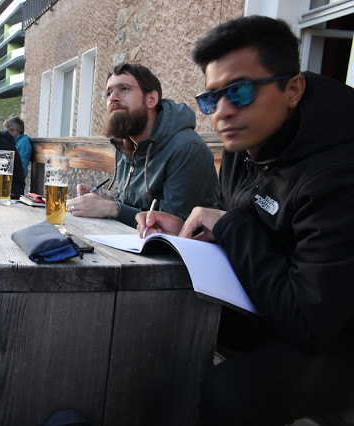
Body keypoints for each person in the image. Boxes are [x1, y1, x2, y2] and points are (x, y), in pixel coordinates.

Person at [137, 16, 354, 425]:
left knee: (227, 393)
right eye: (211, 98)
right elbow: (239, 223)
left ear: (293, 90)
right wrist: (191, 229)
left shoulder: (337, 172)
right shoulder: (243, 147)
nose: (222, 113)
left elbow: (310, 320)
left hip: (332, 340)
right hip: (266, 302)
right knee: (154, 324)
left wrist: (229, 227)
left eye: (239, 91)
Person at [65, 63, 218, 228]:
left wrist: (113, 208)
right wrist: (100, 202)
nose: (113, 98)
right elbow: (131, 206)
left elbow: (174, 228)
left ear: (151, 99)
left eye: (124, 89)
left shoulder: (186, 148)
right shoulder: (126, 145)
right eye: (109, 92)